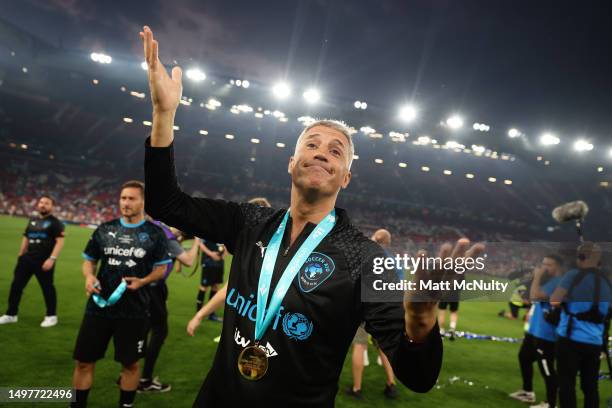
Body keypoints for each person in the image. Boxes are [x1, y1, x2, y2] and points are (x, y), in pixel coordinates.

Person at [140, 25, 483, 406]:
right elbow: (165, 203)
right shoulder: (249, 222)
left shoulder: (366, 260)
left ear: (346, 178)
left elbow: (418, 378)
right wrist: (163, 114)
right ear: (292, 163)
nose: (322, 152)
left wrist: (420, 318)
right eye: (312, 144)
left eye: (337, 151)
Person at [70, 181, 171, 408]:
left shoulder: (155, 234)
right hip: (98, 308)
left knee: (130, 365)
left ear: (144, 202)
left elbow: (161, 269)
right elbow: (89, 261)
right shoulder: (105, 229)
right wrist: (89, 277)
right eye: (123, 198)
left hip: (135, 310)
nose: (125, 203)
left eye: (131, 198)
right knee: (84, 362)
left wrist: (143, 281)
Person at [187, 198, 272, 338]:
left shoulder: (263, 251)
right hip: (248, 323)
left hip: (260, 325)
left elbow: (229, 289)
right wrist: (200, 315)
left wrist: (199, 315)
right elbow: (230, 288)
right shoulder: (249, 247)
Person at [137, 220, 200, 393]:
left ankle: (129, 374)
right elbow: (188, 260)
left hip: (142, 286)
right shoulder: (169, 238)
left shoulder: (158, 229)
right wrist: (197, 242)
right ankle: (144, 380)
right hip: (153, 288)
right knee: (159, 330)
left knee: (144, 328)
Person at [550, 242, 611, 408]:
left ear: (581, 258)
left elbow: (554, 300)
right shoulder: (607, 281)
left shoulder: (573, 275)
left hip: (570, 338)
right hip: (595, 342)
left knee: (566, 384)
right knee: (590, 387)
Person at [346, 229, 398, 400]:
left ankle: (357, 389)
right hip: (385, 310)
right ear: (388, 243)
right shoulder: (394, 261)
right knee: (383, 348)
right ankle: (391, 385)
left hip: (363, 308)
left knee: (360, 346)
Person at [0, 195, 65, 327]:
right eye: (41, 202)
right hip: (26, 260)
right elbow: (26, 237)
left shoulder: (56, 223)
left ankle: (51, 316)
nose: (43, 205)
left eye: (46, 203)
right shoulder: (32, 220)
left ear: (52, 206)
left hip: (44, 261)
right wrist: (21, 254)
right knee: (16, 286)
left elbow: (60, 242)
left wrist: (52, 259)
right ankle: (11, 314)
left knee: (47, 288)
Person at [509, 255, 563, 408]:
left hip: (547, 334)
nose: (544, 267)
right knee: (524, 357)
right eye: (543, 263)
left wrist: (537, 277)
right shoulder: (550, 281)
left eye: (549, 264)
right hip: (535, 331)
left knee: (547, 369)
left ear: (558, 266)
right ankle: (527, 392)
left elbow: (534, 296)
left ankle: (550, 403)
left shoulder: (557, 282)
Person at [196, 240, 226, 321]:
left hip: (219, 263)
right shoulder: (208, 229)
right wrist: (210, 254)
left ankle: (211, 314)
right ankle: (198, 313)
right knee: (204, 287)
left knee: (215, 287)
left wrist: (224, 252)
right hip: (208, 262)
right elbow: (199, 243)